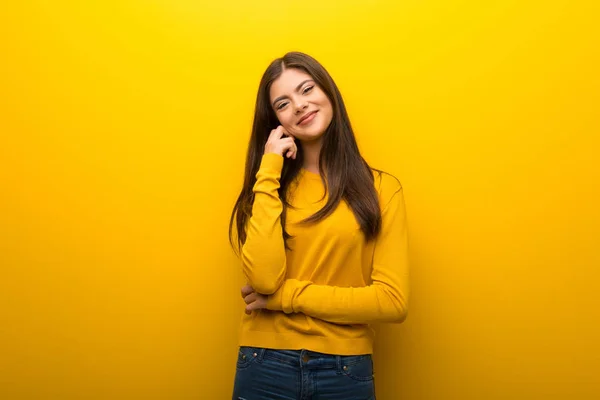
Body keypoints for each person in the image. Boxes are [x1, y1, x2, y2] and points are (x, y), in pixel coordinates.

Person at [229, 51, 410, 400]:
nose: (299, 105)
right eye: (283, 103)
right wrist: (268, 168)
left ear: (328, 91)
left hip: (345, 368)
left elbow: (392, 302)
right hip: (263, 362)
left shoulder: (383, 189)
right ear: (276, 120)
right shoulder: (269, 185)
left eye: (307, 88)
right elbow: (263, 279)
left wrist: (283, 297)